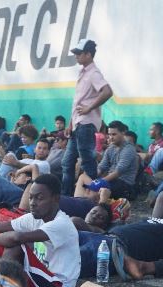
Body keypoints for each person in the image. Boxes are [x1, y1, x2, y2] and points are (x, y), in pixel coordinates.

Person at [0, 174, 80, 287]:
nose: (32, 203)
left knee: (15, 245)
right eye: (31, 198)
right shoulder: (34, 217)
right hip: (41, 281)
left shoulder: (61, 224)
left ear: (55, 199)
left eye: (39, 198)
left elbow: (17, 238)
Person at [61, 39, 112, 194]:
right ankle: (67, 197)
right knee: (67, 163)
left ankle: (92, 195)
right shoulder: (84, 72)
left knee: (87, 162)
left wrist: (90, 107)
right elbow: (78, 101)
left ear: (88, 54)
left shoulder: (93, 73)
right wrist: (70, 123)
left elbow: (107, 91)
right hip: (78, 124)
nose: (76, 56)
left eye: (79, 53)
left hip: (86, 123)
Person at [77, 121, 138, 200]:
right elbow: (101, 167)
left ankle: (84, 203)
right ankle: (79, 202)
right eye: (109, 134)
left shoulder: (129, 149)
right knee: (83, 177)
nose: (111, 137)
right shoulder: (111, 148)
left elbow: (118, 172)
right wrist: (93, 177)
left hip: (124, 184)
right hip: (110, 181)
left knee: (93, 190)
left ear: (123, 133)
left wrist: (100, 182)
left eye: (114, 134)